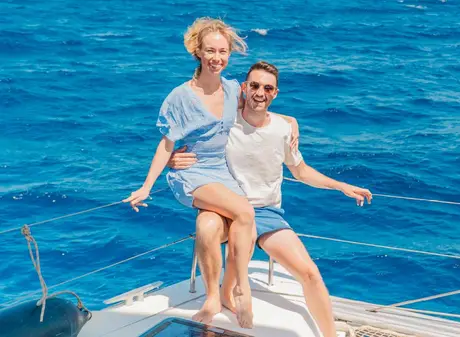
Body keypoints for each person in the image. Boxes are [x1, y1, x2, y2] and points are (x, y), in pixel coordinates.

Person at [168, 61, 373, 337]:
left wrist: (341, 186)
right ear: (243, 88)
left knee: (310, 273)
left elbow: (300, 171)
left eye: (267, 88)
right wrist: (173, 159)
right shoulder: (225, 123)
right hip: (227, 207)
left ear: (275, 93)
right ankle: (216, 297)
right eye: (254, 86)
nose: (260, 92)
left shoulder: (283, 128)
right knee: (207, 226)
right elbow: (186, 143)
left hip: (267, 213)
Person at [121, 18, 297, 329]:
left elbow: (258, 109)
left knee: (208, 225)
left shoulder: (233, 89)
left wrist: (290, 121)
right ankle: (242, 290)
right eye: (210, 51)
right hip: (192, 172)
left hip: (224, 172)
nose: (217, 58)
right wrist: (147, 186)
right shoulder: (180, 97)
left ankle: (215, 297)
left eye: (223, 51)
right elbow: (166, 146)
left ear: (229, 54)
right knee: (244, 211)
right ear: (198, 52)